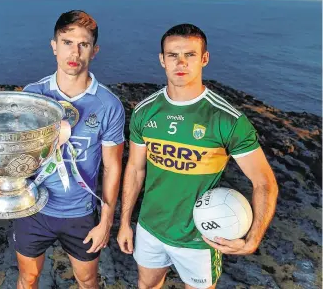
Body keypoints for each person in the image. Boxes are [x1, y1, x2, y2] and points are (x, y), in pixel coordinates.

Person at [0, 10, 125, 289]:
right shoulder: (32, 95)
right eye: (66, 42)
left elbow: (113, 166)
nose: (74, 52)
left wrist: (107, 220)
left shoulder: (108, 105)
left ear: (94, 50)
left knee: (87, 281)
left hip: (81, 213)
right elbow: (10, 152)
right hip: (31, 209)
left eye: (83, 44)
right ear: (54, 46)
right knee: (27, 278)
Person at [117, 23, 279, 289]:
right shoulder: (144, 111)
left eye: (190, 55)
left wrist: (253, 238)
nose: (181, 62)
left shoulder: (227, 119)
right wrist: (125, 222)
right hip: (149, 228)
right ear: (162, 60)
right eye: (173, 55)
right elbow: (135, 169)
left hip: (200, 238)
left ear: (204, 58)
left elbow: (264, 181)